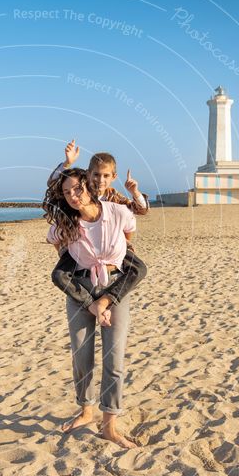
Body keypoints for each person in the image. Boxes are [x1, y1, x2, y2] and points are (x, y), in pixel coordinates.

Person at [43, 167, 139, 449]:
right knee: (82, 356)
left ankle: (109, 426)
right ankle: (86, 411)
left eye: (77, 188)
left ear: (88, 185)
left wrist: (108, 287)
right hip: (79, 291)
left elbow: (129, 238)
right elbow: (54, 244)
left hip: (114, 289)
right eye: (66, 192)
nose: (73, 196)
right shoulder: (65, 223)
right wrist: (71, 261)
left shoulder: (116, 212)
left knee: (114, 361)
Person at [47, 141, 148, 325]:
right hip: (80, 243)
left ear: (113, 177)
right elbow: (56, 185)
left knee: (138, 268)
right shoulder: (81, 191)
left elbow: (139, 210)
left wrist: (135, 192)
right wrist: (67, 163)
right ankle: (87, 301)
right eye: (96, 175)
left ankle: (108, 299)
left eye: (105, 176)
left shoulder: (113, 196)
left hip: (111, 248)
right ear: (87, 175)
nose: (100, 180)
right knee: (60, 274)